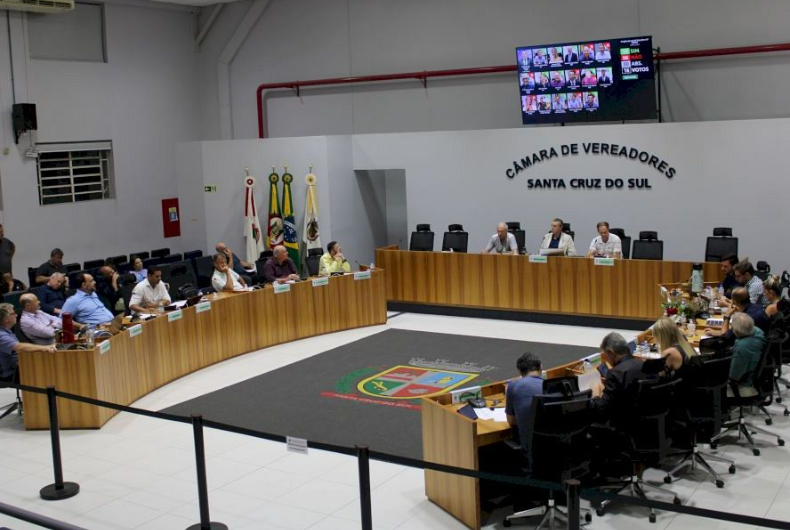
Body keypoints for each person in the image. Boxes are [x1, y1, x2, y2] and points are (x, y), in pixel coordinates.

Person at [590, 332, 647, 427]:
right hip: (645, 419)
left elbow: (601, 410)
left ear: (611, 353)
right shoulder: (643, 364)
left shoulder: (615, 373)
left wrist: (596, 395)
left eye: (606, 356)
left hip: (623, 424)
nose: (607, 360)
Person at [0, 303, 56, 382]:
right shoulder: (1, 335)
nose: (16, 315)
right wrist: (46, 348)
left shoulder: (8, 332)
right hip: (12, 375)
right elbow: (18, 347)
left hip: (21, 366)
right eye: (13, 314)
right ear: (6, 319)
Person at [505, 352, 544, 458]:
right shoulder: (549, 386)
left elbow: (511, 421)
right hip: (552, 448)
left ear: (520, 371)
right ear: (541, 368)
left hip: (530, 450)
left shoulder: (514, 386)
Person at [727, 313, 766, 398]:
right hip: (755, 375)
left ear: (736, 331)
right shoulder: (757, 331)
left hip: (744, 385)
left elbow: (733, 376)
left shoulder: (742, 347)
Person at [705, 287, 769, 338]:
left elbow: (725, 335)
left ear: (734, 302)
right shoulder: (755, 307)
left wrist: (727, 316)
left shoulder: (745, 319)